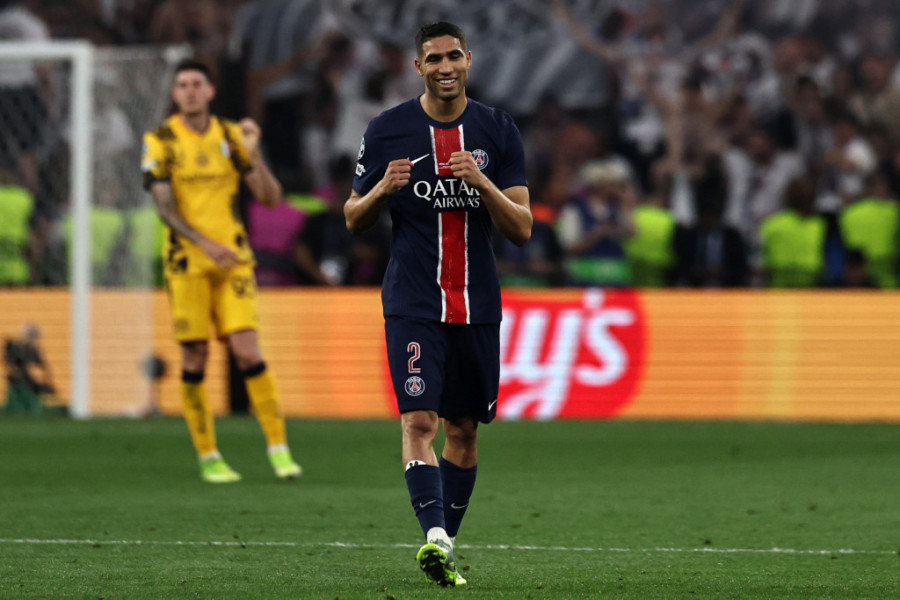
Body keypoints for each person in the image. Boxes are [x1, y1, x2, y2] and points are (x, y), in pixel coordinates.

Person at [343, 22, 532, 587]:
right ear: (418, 67)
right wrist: (381, 190)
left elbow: (522, 227)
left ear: (468, 59)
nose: (445, 67)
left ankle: (444, 543)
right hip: (413, 300)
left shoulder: (498, 129)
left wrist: (482, 182)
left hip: (476, 304)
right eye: (434, 59)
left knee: (465, 430)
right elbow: (353, 217)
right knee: (419, 419)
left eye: (453, 56)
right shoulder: (388, 130)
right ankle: (434, 536)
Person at [140, 59, 301, 483]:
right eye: (183, 84)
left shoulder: (230, 136)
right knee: (196, 355)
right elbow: (164, 208)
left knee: (248, 351)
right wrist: (206, 243)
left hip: (233, 261)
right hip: (187, 263)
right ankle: (209, 455)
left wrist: (254, 152)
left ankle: (279, 449)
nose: (190, 90)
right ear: (175, 94)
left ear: (210, 92)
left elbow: (271, 198)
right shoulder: (159, 141)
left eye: (197, 83)